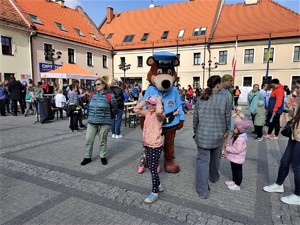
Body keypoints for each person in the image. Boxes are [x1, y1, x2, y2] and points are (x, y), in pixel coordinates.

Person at [263, 79, 300, 206]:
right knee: (284, 162)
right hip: (294, 135)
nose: (296, 89)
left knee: (297, 167)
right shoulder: (298, 99)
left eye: (298, 87)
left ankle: (298, 195)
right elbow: (292, 115)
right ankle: (279, 185)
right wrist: (290, 106)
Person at [193, 75, 231, 199]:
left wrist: (196, 131)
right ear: (218, 85)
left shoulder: (201, 98)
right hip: (218, 134)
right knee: (216, 158)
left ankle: (202, 190)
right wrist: (226, 130)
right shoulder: (224, 99)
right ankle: (214, 177)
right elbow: (227, 117)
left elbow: (195, 119)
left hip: (203, 135)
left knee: (203, 162)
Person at [134, 95, 165, 203]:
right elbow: (136, 109)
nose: (151, 105)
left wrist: (159, 101)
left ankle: (154, 192)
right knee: (150, 165)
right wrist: (145, 101)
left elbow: (158, 112)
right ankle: (159, 185)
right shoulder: (147, 113)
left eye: (153, 104)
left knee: (152, 168)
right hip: (147, 144)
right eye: (150, 104)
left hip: (155, 145)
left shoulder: (160, 115)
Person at [80, 77, 117, 166]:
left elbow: (114, 108)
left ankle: (102, 156)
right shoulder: (92, 95)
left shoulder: (110, 96)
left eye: (98, 84)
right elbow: (90, 106)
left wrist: (108, 117)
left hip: (104, 122)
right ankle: (87, 157)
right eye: (95, 84)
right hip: (92, 122)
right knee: (89, 140)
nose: (96, 86)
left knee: (102, 141)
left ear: (104, 85)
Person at [224, 120, 252, 191]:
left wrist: (228, 148)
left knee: (238, 171)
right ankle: (234, 181)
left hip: (238, 158)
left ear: (240, 130)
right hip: (234, 158)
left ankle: (237, 184)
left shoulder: (240, 140)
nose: (234, 129)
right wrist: (228, 146)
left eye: (235, 128)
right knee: (233, 169)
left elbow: (237, 150)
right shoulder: (236, 136)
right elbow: (233, 145)